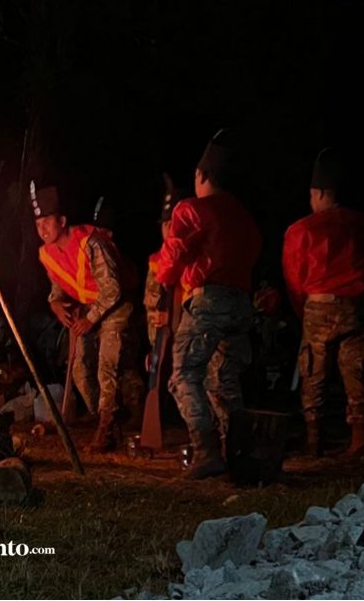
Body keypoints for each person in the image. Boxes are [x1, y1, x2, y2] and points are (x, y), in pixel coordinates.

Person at [155, 130, 261, 479]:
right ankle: (239, 452)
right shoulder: (244, 217)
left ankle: (206, 450)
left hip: (208, 301)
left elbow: (172, 254)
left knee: (184, 375)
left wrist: (164, 282)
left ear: (201, 176)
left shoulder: (193, 209)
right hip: (242, 304)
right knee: (225, 380)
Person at [283, 148, 364, 460]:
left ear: (317, 193)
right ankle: (360, 439)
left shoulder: (302, 229)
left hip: (319, 304)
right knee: (356, 367)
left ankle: (314, 440)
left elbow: (293, 276)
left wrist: (301, 309)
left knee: (314, 369)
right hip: (358, 307)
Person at [31, 182, 135, 452]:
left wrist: (91, 319)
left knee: (106, 366)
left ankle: (107, 425)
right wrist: (55, 304)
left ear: (62, 221)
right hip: (87, 309)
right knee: (78, 367)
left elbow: (112, 289)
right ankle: (101, 413)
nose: (42, 229)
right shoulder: (47, 254)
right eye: (37, 223)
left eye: (47, 222)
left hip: (113, 308)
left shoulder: (91, 243)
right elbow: (58, 288)